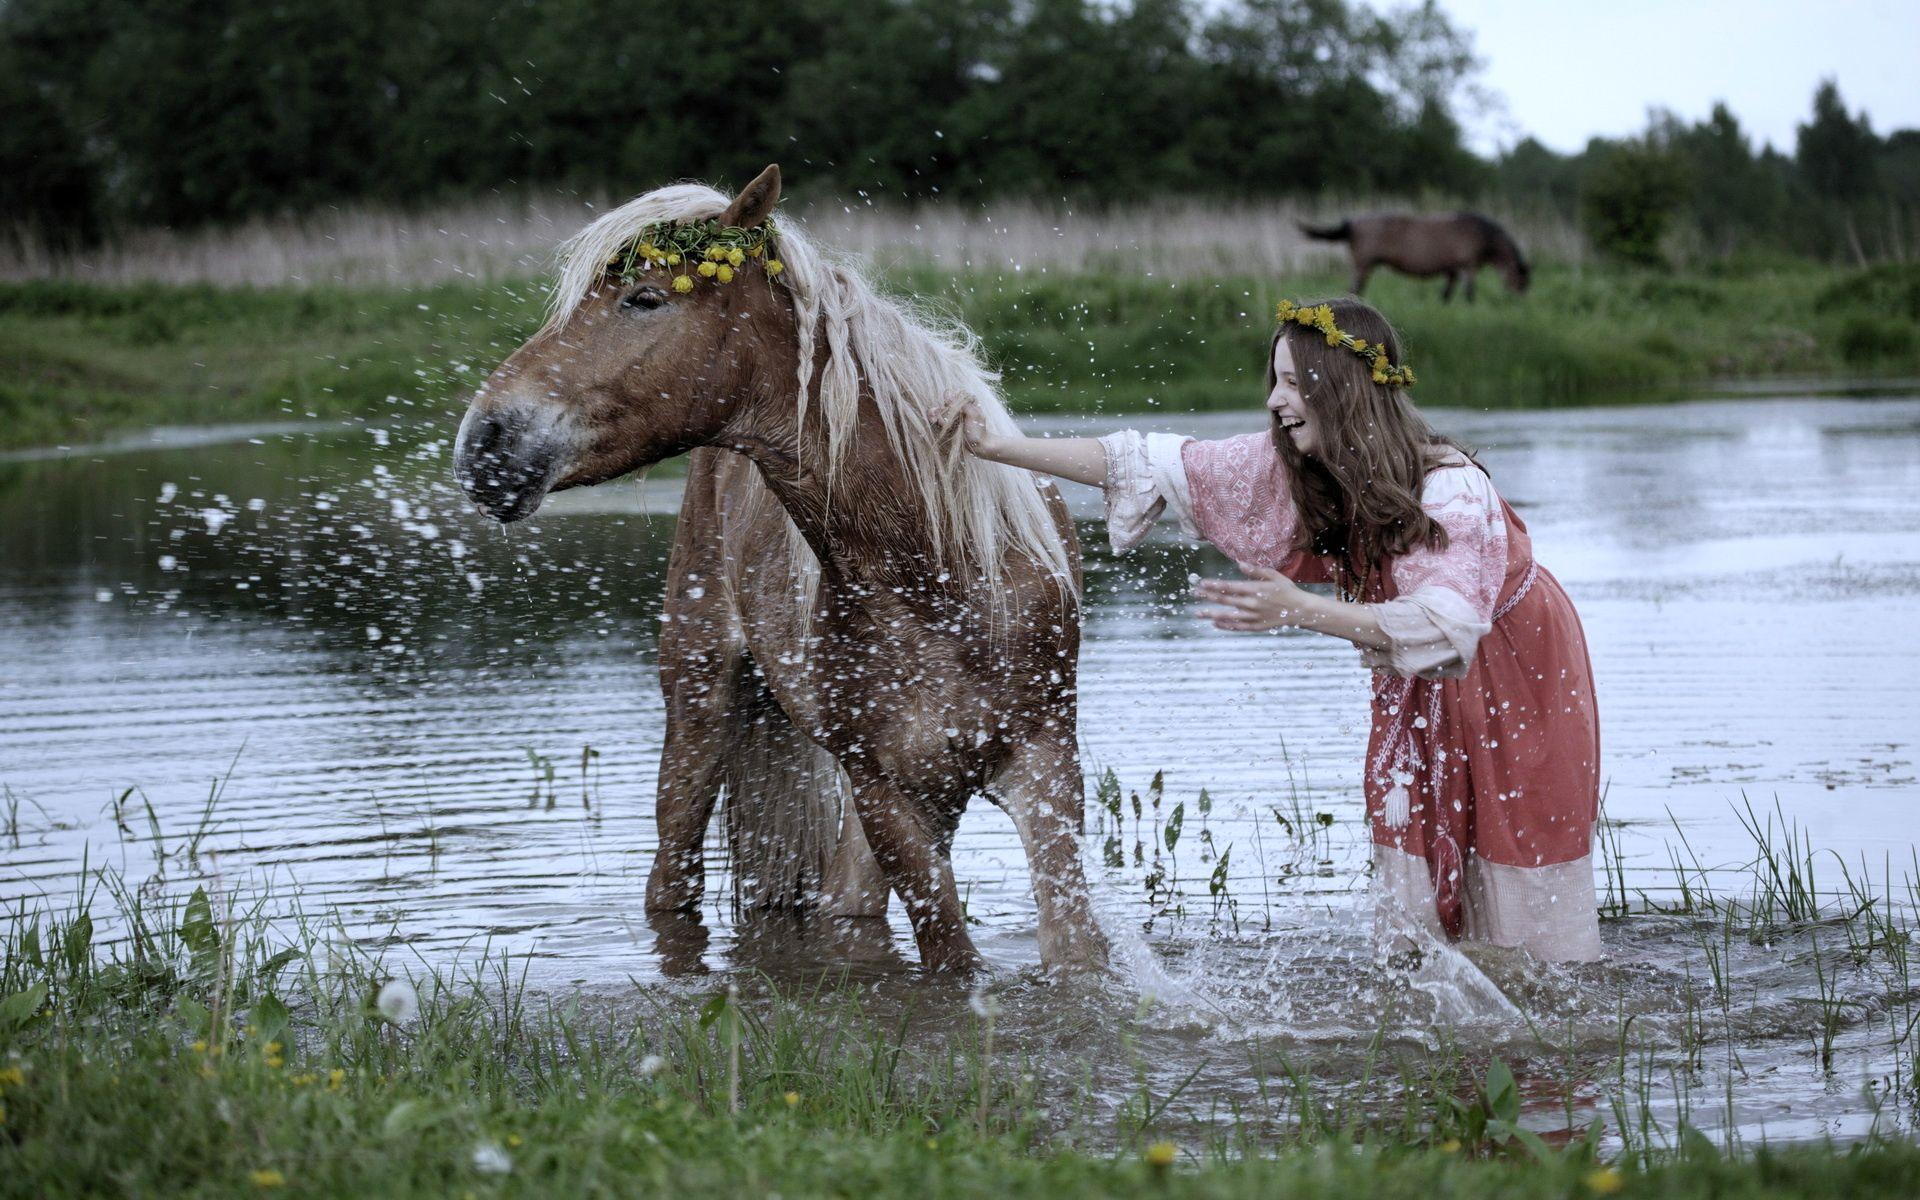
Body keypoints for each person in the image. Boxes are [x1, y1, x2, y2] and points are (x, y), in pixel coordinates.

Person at [936, 297, 1602, 962]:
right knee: (1412, 830)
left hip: (1515, 661)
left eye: (1293, 383)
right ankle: (1432, 985)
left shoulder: (1451, 489)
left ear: (1339, 391)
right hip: (1415, 666)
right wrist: (994, 446)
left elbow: (1446, 629)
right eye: (1274, 381)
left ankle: (1543, 996)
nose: (1276, 402)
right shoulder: (1297, 463)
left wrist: (1300, 609)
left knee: (1514, 847)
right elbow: (1143, 461)